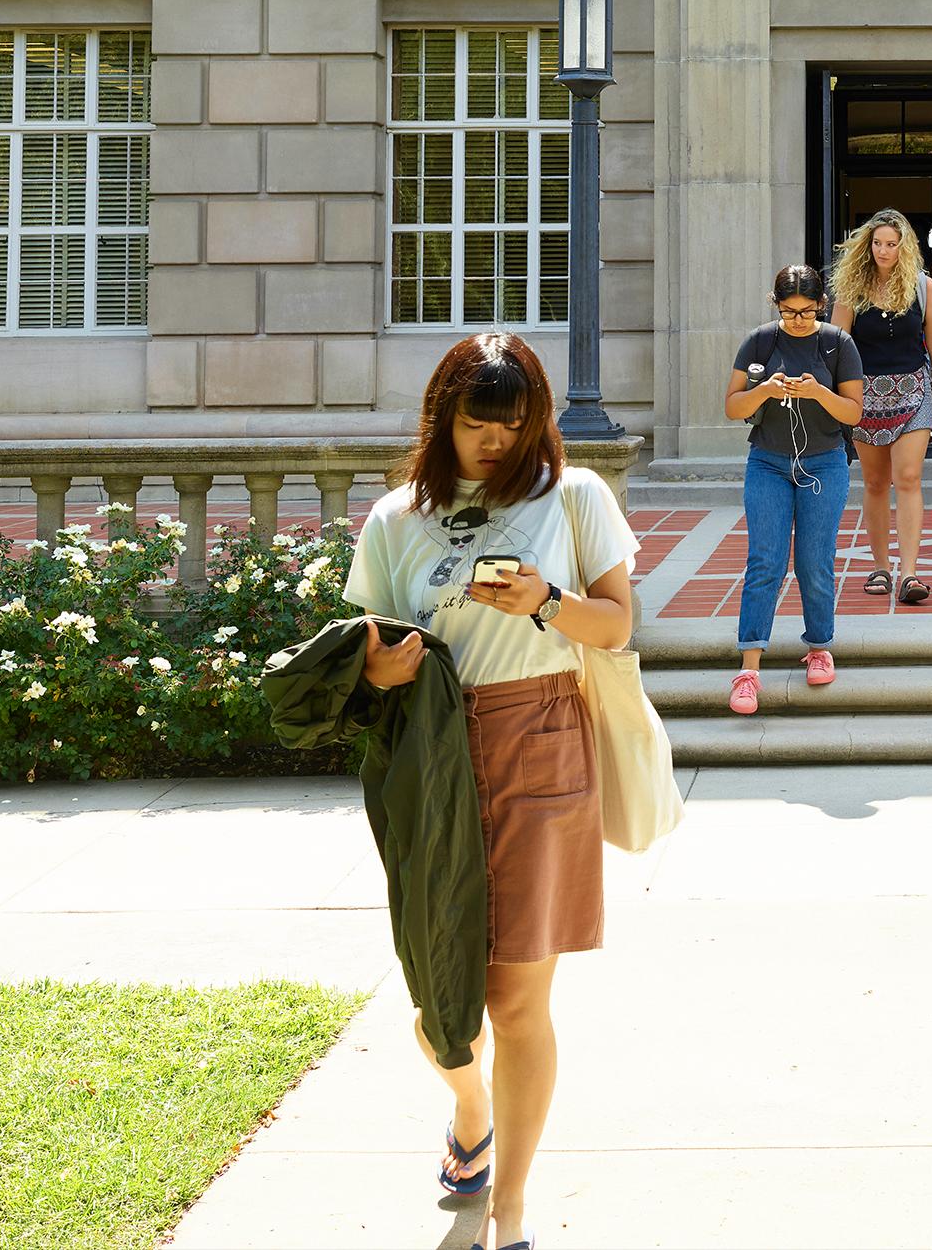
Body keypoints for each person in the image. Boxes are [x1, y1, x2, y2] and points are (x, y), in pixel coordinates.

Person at [343, 333, 638, 1250]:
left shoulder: (575, 495)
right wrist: (385, 671)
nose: (496, 445)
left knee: (516, 1003)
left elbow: (620, 624)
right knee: (443, 1007)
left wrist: (546, 603)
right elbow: (366, 661)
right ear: (444, 421)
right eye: (478, 426)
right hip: (430, 752)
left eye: (513, 428)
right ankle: (471, 1109)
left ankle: (508, 1212)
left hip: (540, 739)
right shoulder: (396, 519)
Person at [723, 265, 865, 715]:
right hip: (768, 461)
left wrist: (818, 392)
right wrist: (765, 389)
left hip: (823, 462)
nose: (799, 320)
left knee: (814, 560)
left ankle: (819, 645)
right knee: (764, 560)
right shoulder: (760, 340)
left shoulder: (837, 343)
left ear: (821, 305)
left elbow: (854, 413)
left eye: (807, 311)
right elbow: (731, 407)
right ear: (776, 305)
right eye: (789, 312)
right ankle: (749, 670)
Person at [829, 209, 932, 606]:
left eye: (892, 244)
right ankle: (880, 566)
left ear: (904, 247)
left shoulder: (923, 287)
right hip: (865, 396)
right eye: (878, 243)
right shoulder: (851, 289)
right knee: (877, 483)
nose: (884, 250)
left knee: (909, 477)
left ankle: (910, 572)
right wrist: (834, 398)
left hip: (914, 388)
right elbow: (836, 343)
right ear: (868, 244)